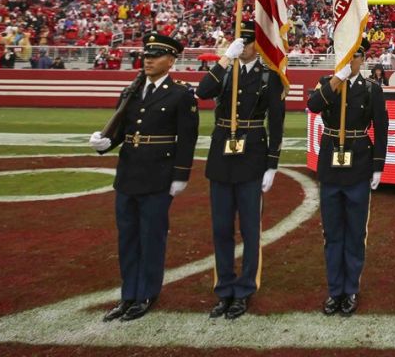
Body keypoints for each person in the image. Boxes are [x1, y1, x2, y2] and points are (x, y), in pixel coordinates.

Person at [89, 32, 198, 322]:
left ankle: (147, 293)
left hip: (158, 177)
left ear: (171, 60)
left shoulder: (180, 95)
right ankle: (128, 294)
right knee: (128, 238)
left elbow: (187, 139)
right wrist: (105, 145)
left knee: (152, 237)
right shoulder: (131, 92)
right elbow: (122, 132)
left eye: (155, 56)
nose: (148, 60)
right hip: (128, 175)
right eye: (146, 56)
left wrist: (181, 175)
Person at [194, 27, 285, 320]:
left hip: (252, 158)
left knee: (249, 228)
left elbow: (277, 122)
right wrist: (224, 59)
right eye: (240, 41)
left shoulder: (268, 76)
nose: (243, 46)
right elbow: (202, 92)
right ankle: (224, 288)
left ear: (258, 45)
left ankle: (244, 289)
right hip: (222, 157)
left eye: (248, 42)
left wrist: (272, 162)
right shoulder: (226, 69)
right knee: (221, 228)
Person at [306, 37, 388, 317]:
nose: (350, 61)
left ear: (363, 59)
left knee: (355, 231)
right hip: (331, 160)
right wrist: (336, 80)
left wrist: (378, 166)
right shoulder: (327, 82)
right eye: (346, 55)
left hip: (359, 162)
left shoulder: (371, 89)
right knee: (332, 231)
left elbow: (382, 127)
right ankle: (334, 289)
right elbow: (314, 105)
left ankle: (350, 288)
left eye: (355, 56)